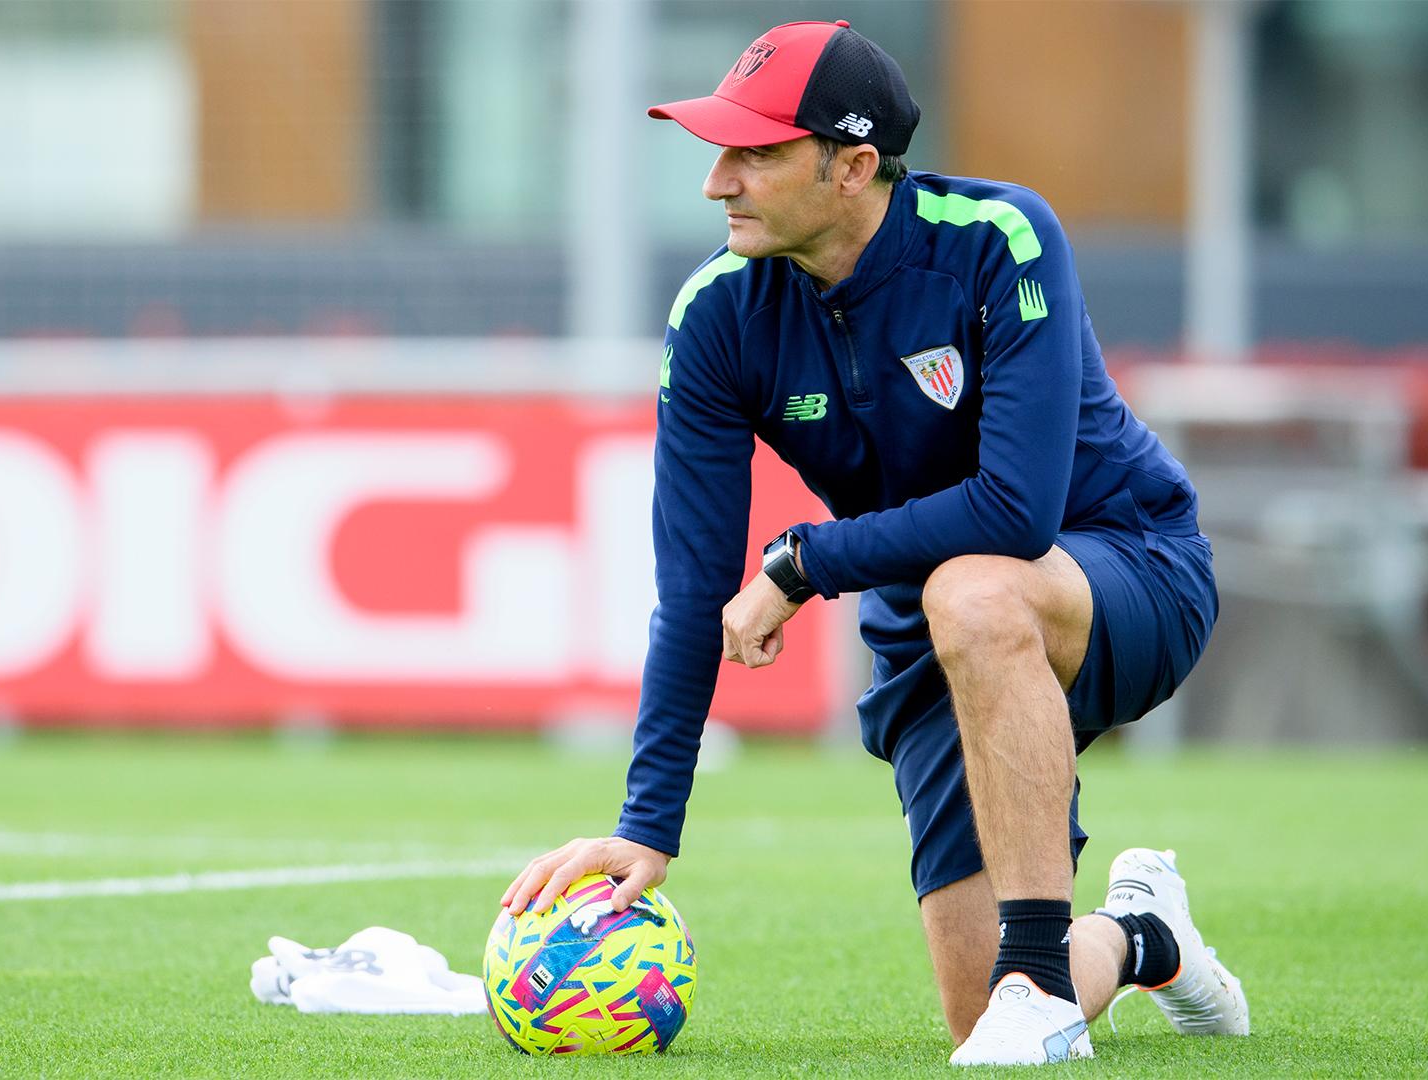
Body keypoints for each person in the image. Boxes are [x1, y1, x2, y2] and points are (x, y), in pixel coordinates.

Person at [500, 19, 1248, 1066]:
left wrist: (803, 563)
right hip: (929, 618)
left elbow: (1015, 515)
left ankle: (1034, 972)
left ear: (853, 167)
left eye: (756, 152)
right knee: (973, 1017)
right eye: (719, 149)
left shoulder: (1000, 239)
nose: (719, 181)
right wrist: (647, 823)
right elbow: (695, 589)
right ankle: (1138, 937)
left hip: (1130, 565)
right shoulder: (717, 316)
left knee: (977, 594)